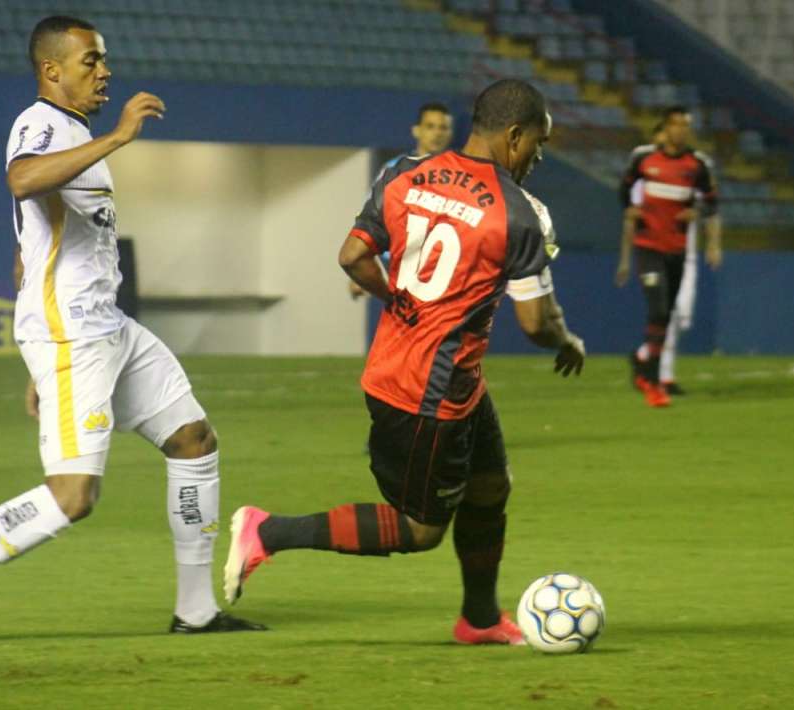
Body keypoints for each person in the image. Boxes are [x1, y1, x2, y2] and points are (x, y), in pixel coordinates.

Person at [0, 15, 264, 645]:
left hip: (104, 327)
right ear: (52, 70)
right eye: (90, 61)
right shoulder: (40, 123)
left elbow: (25, 253)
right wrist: (118, 138)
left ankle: (196, 612)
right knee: (72, 497)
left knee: (194, 440)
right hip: (73, 336)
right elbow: (22, 178)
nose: (104, 70)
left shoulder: (73, 135)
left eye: (103, 60)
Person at [223, 79, 586, 645]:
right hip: (423, 395)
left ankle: (481, 619)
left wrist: (399, 299)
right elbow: (538, 323)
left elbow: (352, 256)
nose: (537, 158)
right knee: (420, 530)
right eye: (537, 145)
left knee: (491, 486)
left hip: (444, 378)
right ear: (514, 136)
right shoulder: (517, 214)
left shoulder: (405, 174)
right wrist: (569, 343)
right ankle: (268, 531)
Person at [617, 106, 721, 407]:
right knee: (659, 310)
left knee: (668, 316)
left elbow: (712, 203)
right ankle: (653, 381)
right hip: (648, 247)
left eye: (685, 125)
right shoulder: (644, 158)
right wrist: (630, 210)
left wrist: (697, 213)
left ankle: (642, 361)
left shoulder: (696, 164)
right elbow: (624, 189)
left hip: (678, 250)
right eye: (675, 124)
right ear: (665, 127)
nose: (680, 130)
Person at [349, 102, 454, 299]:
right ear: (416, 131)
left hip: (441, 272)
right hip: (397, 268)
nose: (437, 133)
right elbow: (372, 218)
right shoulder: (395, 170)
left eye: (443, 128)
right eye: (430, 126)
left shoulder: (459, 175)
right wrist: (361, 263)